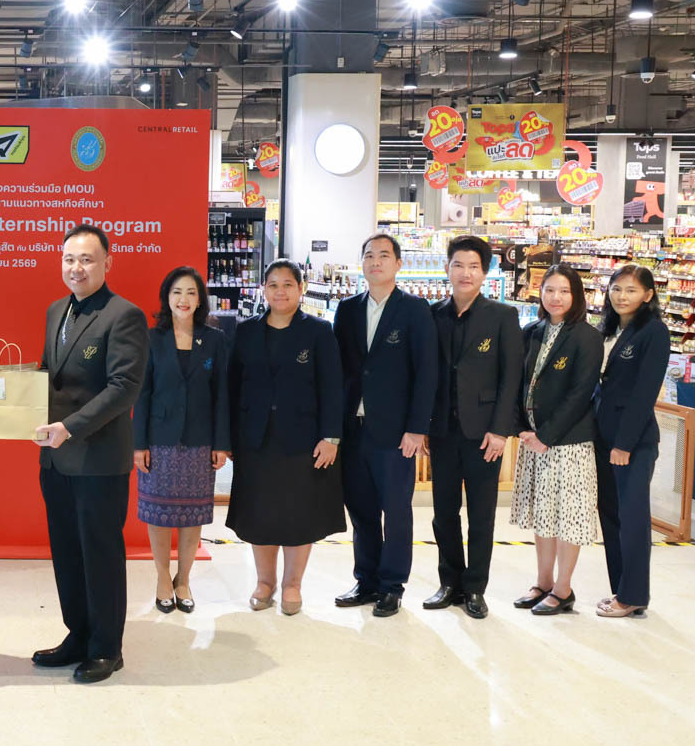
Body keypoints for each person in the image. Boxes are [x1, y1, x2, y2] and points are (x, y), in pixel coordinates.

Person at [33, 224, 148, 684]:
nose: (76, 268)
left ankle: (106, 648)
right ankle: (77, 635)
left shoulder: (124, 315)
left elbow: (124, 388)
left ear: (107, 263)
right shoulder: (55, 310)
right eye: (69, 259)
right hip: (55, 459)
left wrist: (69, 427)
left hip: (98, 461)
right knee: (66, 553)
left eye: (86, 259)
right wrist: (18, 410)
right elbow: (48, 375)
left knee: (100, 554)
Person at [224, 260, 344, 615]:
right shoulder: (246, 332)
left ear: (301, 289)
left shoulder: (319, 331)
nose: (280, 291)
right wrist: (228, 437)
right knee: (259, 511)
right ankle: (265, 582)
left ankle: (293, 584)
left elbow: (333, 387)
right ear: (263, 289)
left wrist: (331, 437)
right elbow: (232, 388)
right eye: (273, 284)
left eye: (288, 284)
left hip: (303, 439)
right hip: (255, 438)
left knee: (298, 512)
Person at [332, 233, 438, 617]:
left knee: (396, 512)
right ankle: (366, 580)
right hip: (353, 429)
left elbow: (426, 372)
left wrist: (417, 428)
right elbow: (339, 371)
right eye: (369, 255)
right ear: (361, 263)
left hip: (395, 433)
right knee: (361, 511)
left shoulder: (414, 309)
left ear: (398, 264)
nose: (375, 262)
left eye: (383, 255)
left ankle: (392, 585)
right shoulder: (347, 309)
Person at [423, 235, 523, 620]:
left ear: (485, 273)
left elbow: (511, 378)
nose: (465, 273)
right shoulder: (433, 314)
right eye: (458, 265)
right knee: (443, 513)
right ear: (447, 269)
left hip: (485, 435)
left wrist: (500, 430)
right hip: (442, 431)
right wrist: (424, 425)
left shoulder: (502, 316)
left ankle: (476, 587)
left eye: (474, 267)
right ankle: (449, 582)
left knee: (481, 515)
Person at [131, 266, 231, 613]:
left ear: (200, 299)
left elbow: (222, 395)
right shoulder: (151, 338)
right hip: (159, 441)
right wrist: (138, 445)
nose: (183, 299)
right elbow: (142, 394)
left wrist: (221, 443)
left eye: (191, 292)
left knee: (193, 516)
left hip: (200, 442)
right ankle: (162, 577)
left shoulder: (214, 339)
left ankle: (183, 579)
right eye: (177, 292)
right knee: (157, 515)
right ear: (167, 297)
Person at [511, 264, 603, 616]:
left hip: (568, 445)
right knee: (543, 514)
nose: (556, 297)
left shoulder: (587, 337)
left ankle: (563, 589)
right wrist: (522, 427)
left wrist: (546, 436)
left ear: (576, 295)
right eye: (549, 290)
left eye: (564, 291)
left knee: (569, 517)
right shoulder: (531, 332)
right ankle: (543, 581)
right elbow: (518, 384)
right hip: (534, 442)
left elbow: (581, 394)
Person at [593, 263, 669, 618]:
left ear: (648, 295)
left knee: (633, 516)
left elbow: (644, 393)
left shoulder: (654, 332)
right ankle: (621, 589)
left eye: (631, 290)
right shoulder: (608, 329)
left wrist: (624, 444)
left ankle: (634, 594)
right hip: (601, 435)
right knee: (610, 514)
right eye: (616, 288)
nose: (622, 296)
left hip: (633, 443)